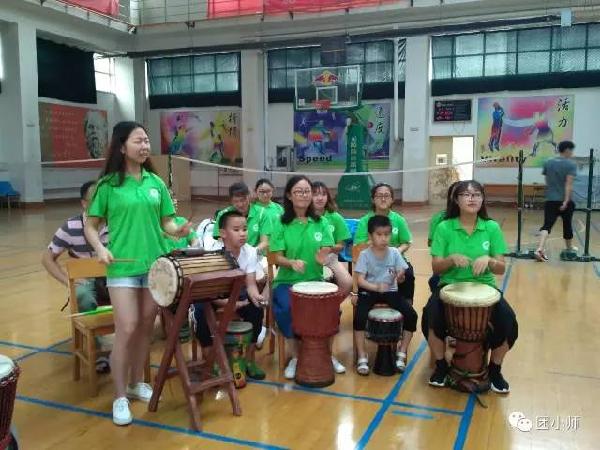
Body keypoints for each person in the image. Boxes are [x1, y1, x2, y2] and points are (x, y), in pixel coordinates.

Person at [84, 121, 191, 426]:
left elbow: (167, 222)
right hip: (122, 267)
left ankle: (135, 382)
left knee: (146, 327)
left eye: (146, 140)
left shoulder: (155, 182)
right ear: (122, 147)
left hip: (155, 266)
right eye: (138, 141)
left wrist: (178, 230)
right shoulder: (108, 186)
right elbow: (91, 225)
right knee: (127, 327)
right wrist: (100, 248)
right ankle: (119, 397)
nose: (145, 146)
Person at [425, 180, 518, 393]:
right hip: (450, 286)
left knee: (509, 323)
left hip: (485, 288)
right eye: (466, 195)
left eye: (476, 194)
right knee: (431, 318)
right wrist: (451, 259)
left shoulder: (491, 227)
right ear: (456, 200)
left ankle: (495, 369)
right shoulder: (444, 227)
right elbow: (436, 267)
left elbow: (501, 268)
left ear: (482, 199)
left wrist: (489, 260)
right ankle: (441, 366)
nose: (472, 198)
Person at [270, 175, 351, 379]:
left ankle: (327, 355)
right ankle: (296, 357)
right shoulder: (281, 223)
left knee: (332, 310)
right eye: (299, 191)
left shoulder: (321, 222)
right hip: (287, 281)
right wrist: (291, 263)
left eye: (307, 191)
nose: (304, 195)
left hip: (315, 281)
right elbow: (276, 256)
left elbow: (327, 247)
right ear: (289, 195)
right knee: (287, 308)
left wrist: (324, 255)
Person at [41, 180, 111, 372]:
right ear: (84, 203)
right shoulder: (70, 227)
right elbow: (47, 258)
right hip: (86, 280)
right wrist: (68, 282)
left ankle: (128, 346)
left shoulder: (116, 222)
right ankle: (98, 351)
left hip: (112, 278)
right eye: (94, 199)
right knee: (82, 296)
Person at [193, 210, 266, 380]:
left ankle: (249, 359)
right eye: (236, 230)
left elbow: (250, 285)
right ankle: (211, 361)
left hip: (237, 292)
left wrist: (257, 297)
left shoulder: (250, 252)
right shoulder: (211, 253)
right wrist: (228, 303)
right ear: (223, 233)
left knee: (256, 309)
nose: (242, 233)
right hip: (212, 295)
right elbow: (209, 290)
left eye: (245, 229)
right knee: (200, 312)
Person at [353, 215, 418, 375]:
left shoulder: (395, 253)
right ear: (370, 236)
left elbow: (401, 276)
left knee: (411, 315)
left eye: (387, 234)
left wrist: (400, 277)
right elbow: (360, 280)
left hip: (390, 292)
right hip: (369, 291)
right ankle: (362, 355)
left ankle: (402, 351)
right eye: (379, 234)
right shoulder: (365, 255)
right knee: (359, 318)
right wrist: (375, 287)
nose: (384, 238)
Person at [312, 181, 353, 374]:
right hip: (309, 259)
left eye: (323, 194)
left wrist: (328, 249)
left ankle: (332, 304)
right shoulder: (303, 216)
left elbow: (341, 245)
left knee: (347, 282)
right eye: (315, 194)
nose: (319, 197)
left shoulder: (334, 217)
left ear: (328, 197)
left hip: (330, 258)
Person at [354, 183, 415, 306]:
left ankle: (407, 303)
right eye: (379, 196)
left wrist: (396, 252)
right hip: (371, 260)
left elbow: (406, 242)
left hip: (395, 259)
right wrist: (377, 246)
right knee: (362, 274)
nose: (383, 199)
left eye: (386, 196)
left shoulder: (399, 220)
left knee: (408, 273)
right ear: (373, 199)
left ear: (392, 199)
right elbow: (359, 247)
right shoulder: (365, 221)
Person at [534, 140, 578, 262]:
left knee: (547, 225)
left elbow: (547, 180)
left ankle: (539, 248)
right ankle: (569, 247)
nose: (572, 153)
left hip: (550, 200)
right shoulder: (570, 165)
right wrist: (566, 201)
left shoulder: (548, 162)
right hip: (564, 201)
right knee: (567, 224)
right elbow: (568, 184)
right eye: (571, 150)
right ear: (567, 150)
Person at [214, 182, 272, 255]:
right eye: (236, 201)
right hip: (231, 254)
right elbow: (220, 241)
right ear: (231, 201)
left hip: (255, 254)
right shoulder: (223, 215)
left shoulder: (262, 214)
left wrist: (252, 254)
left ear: (249, 197)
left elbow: (265, 242)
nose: (240, 204)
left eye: (243, 200)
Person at [427, 181, 460, 292]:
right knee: (434, 281)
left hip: (470, 273)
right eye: (455, 195)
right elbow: (431, 242)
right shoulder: (439, 219)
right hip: (445, 269)